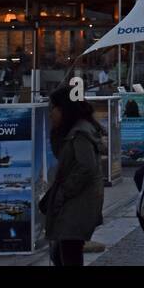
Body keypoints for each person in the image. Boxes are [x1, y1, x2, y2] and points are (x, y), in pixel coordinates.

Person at [41, 84, 107, 266]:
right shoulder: (72, 130)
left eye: (53, 108)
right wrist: (55, 131)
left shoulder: (80, 133)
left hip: (77, 205)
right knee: (61, 254)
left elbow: (86, 167)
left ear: (64, 108)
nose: (50, 113)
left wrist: (65, 191)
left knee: (68, 255)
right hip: (76, 204)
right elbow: (61, 155)